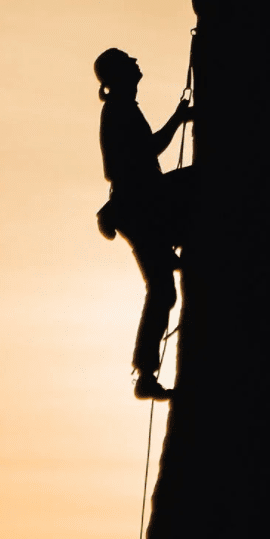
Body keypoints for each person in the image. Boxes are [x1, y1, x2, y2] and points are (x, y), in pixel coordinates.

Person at [94, 47, 192, 400]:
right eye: (129, 62)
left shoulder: (122, 109)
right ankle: (145, 373)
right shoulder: (119, 111)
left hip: (139, 206)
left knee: (162, 288)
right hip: (140, 206)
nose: (137, 63)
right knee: (162, 289)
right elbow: (147, 151)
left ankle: (146, 373)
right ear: (120, 75)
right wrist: (179, 119)